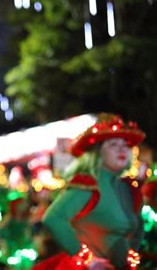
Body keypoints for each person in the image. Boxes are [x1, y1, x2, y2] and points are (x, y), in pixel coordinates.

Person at [33, 113, 145, 270]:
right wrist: (88, 260)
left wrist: (130, 253)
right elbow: (53, 218)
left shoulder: (128, 188)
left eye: (125, 144)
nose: (122, 148)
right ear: (97, 152)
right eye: (113, 144)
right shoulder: (89, 185)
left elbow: (138, 227)